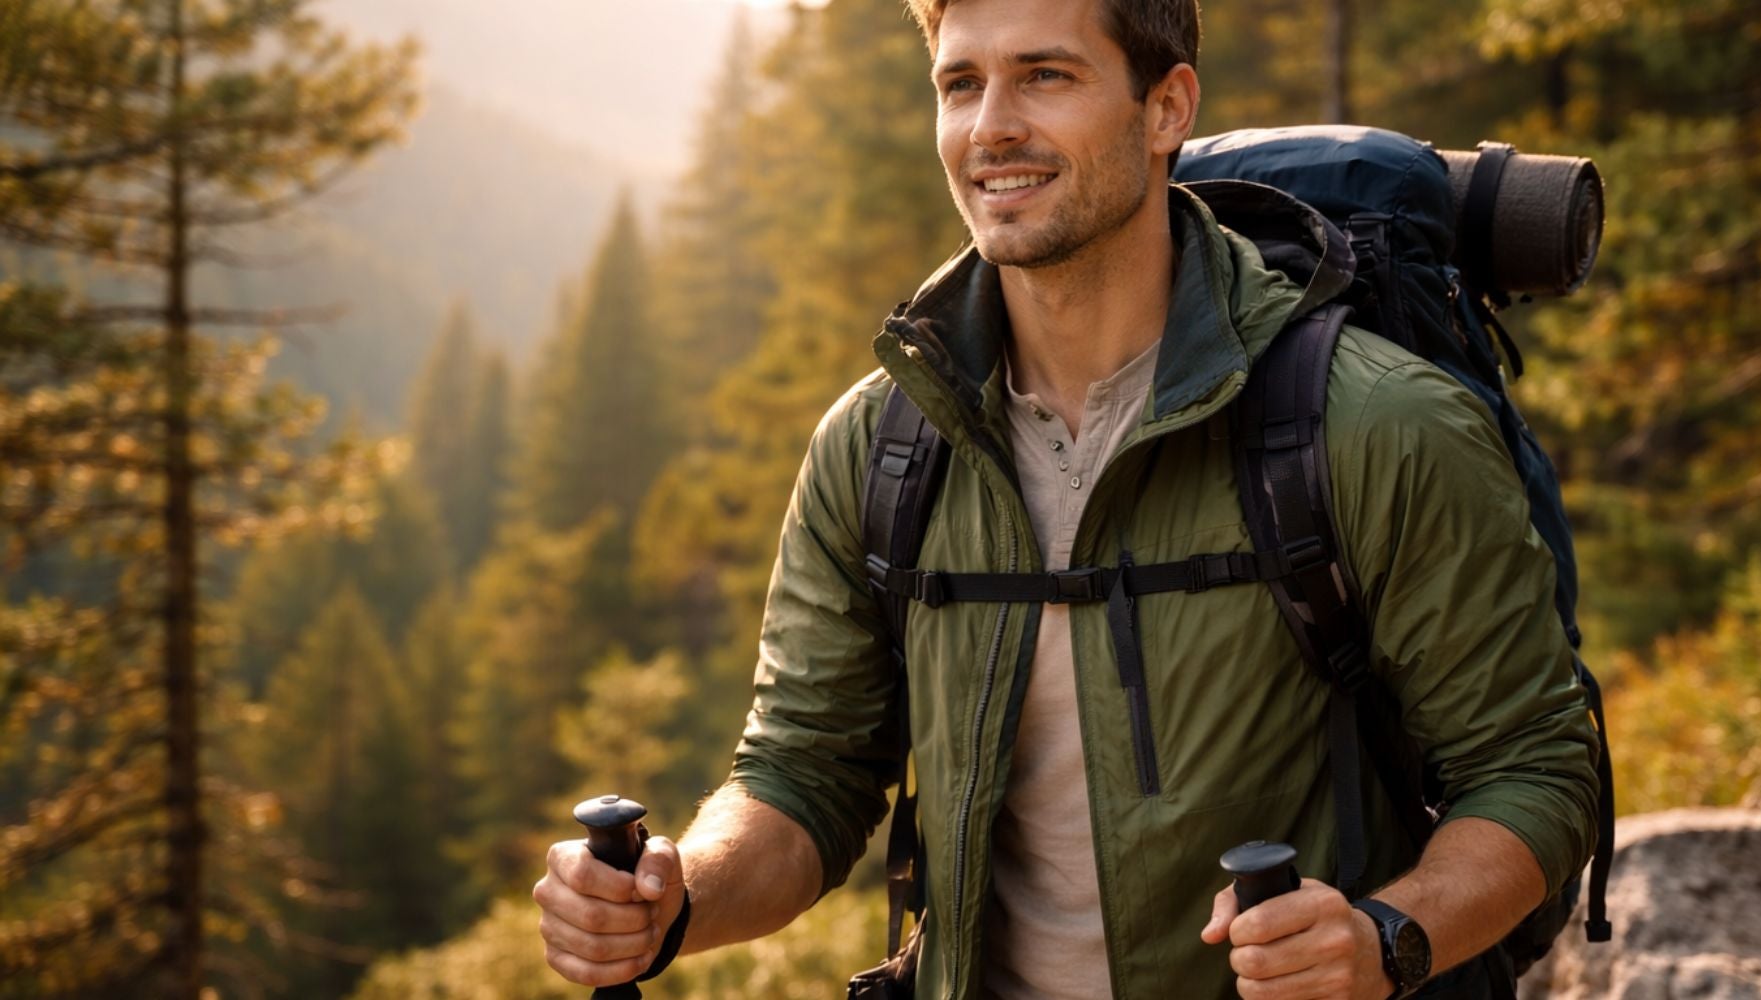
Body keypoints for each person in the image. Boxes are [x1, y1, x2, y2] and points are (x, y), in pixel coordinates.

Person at [532, 0, 1602, 996]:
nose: (989, 128)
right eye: (960, 85)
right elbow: (804, 769)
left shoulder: (1371, 425)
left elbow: (1533, 772)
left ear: (1164, 108)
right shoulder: (881, 442)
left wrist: (1380, 939)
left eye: (1044, 75)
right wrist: (674, 901)